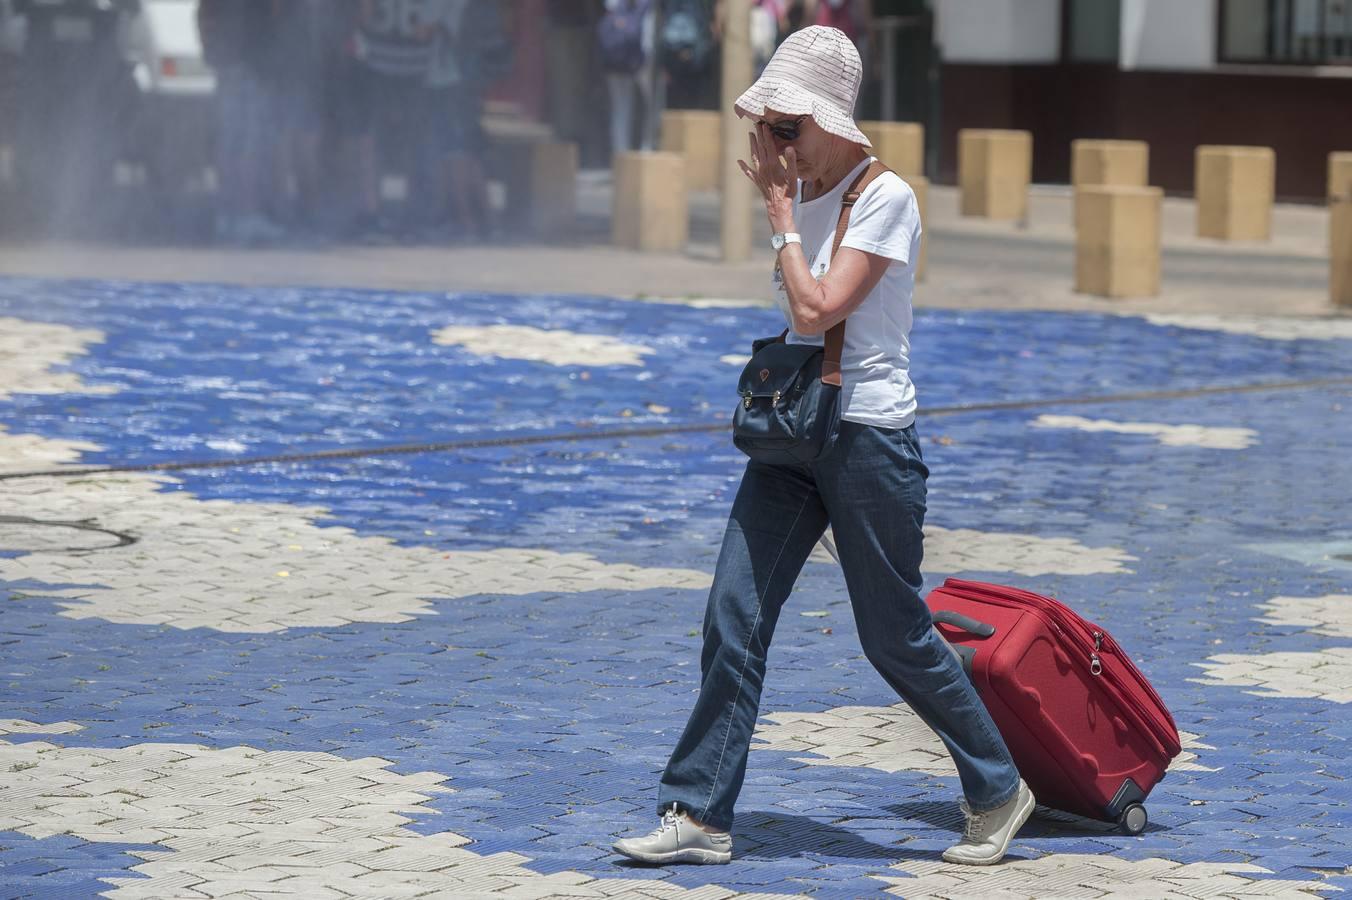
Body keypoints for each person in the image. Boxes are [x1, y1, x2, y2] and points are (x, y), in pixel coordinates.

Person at [611, 26, 1034, 867]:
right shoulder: (800, 189)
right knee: (734, 612)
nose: (774, 147)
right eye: (766, 128)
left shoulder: (887, 198)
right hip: (792, 437)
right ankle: (697, 814)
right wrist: (784, 205)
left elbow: (816, 311)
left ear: (833, 121)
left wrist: (779, 221)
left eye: (787, 128)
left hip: (870, 439)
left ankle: (998, 786)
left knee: (894, 636)